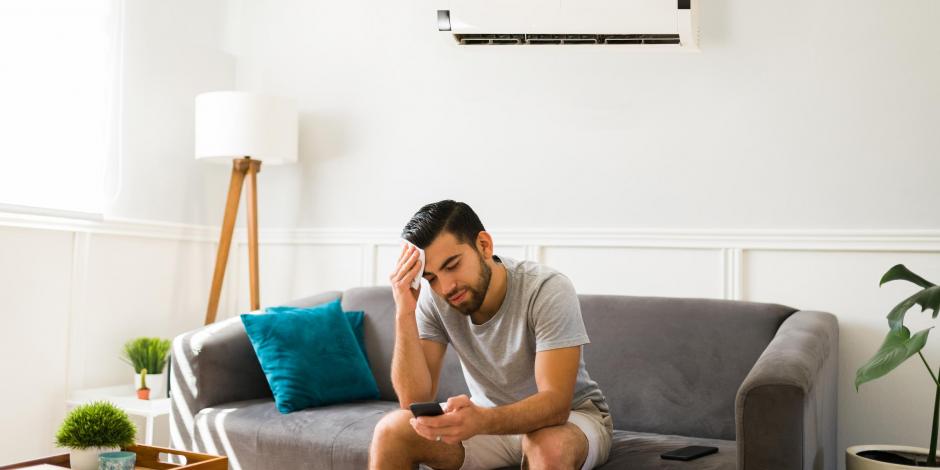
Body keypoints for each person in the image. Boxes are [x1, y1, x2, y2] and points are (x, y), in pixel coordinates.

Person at [369, 200, 612, 470]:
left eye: (452, 265)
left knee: (549, 446)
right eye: (431, 278)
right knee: (391, 431)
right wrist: (404, 313)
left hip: (570, 420)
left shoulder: (546, 288)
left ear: (484, 245)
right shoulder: (435, 299)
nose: (446, 286)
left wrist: (481, 420)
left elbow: (556, 405)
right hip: (488, 423)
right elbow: (413, 401)